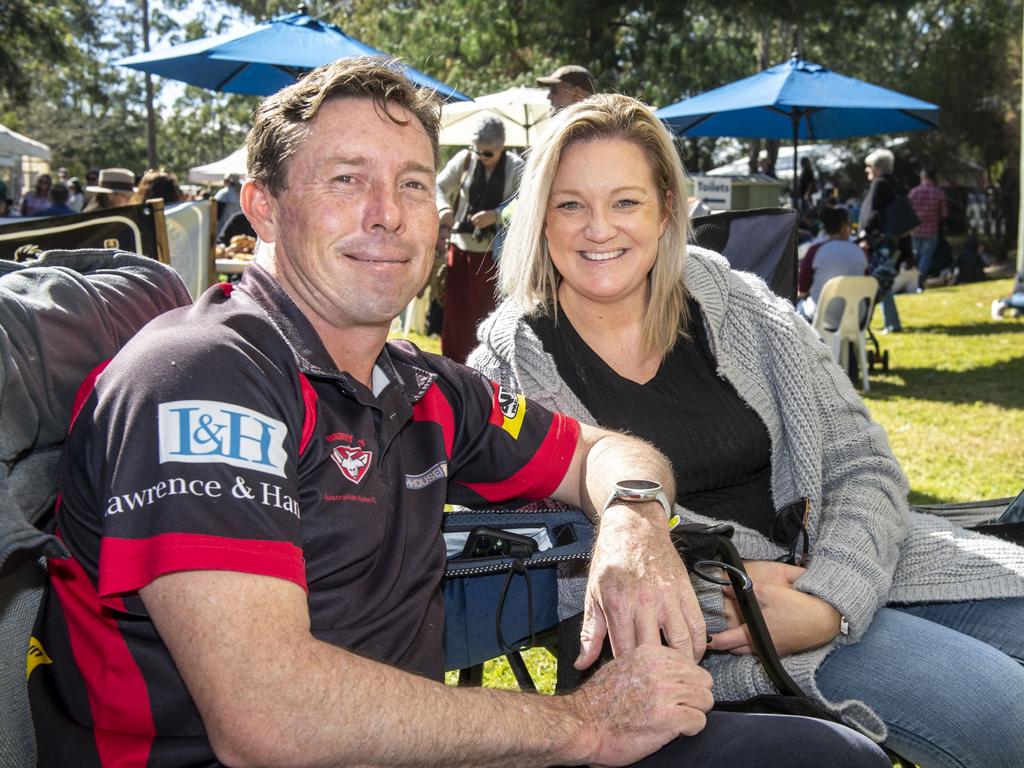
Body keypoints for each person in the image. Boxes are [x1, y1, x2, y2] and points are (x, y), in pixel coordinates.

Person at [26, 56, 887, 768]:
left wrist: (633, 521)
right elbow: (270, 721)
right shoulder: (204, 374)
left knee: (820, 757)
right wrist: (584, 728)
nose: (386, 215)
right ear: (261, 209)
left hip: (422, 743)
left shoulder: (420, 385)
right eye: (346, 180)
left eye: (409, 183)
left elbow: (608, 450)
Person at [468, 92, 1024, 768]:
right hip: (719, 632)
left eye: (625, 202)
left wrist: (830, 597)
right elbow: (553, 566)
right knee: (1004, 712)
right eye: (570, 204)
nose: (598, 229)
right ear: (539, 218)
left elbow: (862, 464)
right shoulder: (507, 370)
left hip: (863, 569)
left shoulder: (736, 303)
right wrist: (740, 602)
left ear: (667, 207)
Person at [436, 115, 524, 363]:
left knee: (485, 316)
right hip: (460, 249)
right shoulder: (465, 160)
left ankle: (483, 370)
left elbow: (526, 203)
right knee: (455, 315)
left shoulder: (515, 167)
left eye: (488, 154)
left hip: (494, 255)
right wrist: (444, 210)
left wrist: (495, 216)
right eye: (478, 151)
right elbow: (438, 187)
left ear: (501, 148)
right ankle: (450, 367)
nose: (481, 158)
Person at [857, 148, 906, 332]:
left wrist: (864, 235)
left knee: (880, 282)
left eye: (868, 166)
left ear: (877, 167)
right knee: (882, 282)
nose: (866, 170)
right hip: (891, 241)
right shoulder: (895, 184)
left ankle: (891, 324)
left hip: (878, 242)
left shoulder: (880, 184)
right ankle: (889, 322)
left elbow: (873, 213)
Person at [796, 205, 868, 320]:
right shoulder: (860, 252)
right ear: (844, 228)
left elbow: (802, 290)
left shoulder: (815, 251)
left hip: (821, 317)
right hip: (856, 316)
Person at [907, 167, 948, 292]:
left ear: (923, 177)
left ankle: (911, 281)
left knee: (915, 256)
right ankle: (918, 282)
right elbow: (944, 213)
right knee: (926, 257)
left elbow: (907, 210)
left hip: (915, 230)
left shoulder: (914, 192)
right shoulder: (938, 193)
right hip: (931, 230)